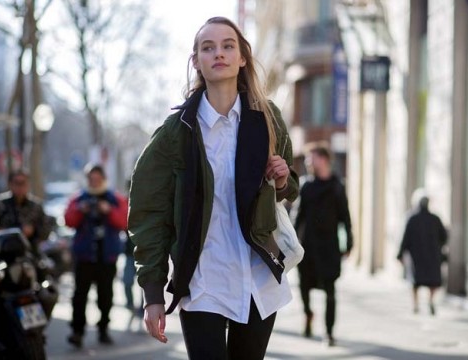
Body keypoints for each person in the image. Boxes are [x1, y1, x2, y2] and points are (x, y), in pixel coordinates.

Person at [128, 16, 299, 360]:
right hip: (203, 280)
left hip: (257, 278)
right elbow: (149, 216)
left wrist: (282, 179)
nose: (218, 53)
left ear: (242, 58)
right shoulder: (174, 133)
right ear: (197, 61)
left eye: (227, 46)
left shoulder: (268, 118)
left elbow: (289, 187)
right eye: (208, 48)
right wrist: (153, 294)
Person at [293, 143, 354, 347]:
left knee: (330, 291)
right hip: (308, 247)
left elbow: (345, 217)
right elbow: (298, 217)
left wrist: (350, 242)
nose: (309, 162)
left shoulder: (337, 186)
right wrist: (291, 242)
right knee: (304, 287)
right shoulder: (306, 186)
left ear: (324, 159)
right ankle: (308, 313)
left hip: (329, 248)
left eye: (312, 158)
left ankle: (328, 332)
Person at [64, 164, 128, 347]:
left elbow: (124, 221)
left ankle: (103, 329)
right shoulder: (79, 198)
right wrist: (80, 210)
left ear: (103, 178)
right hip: (84, 257)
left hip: (106, 257)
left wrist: (109, 210)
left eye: (98, 178)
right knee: (79, 296)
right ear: (88, 179)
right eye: (91, 178)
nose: (95, 181)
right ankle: (77, 331)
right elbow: (68, 220)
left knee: (105, 295)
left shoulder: (114, 198)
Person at [397, 188, 447, 315]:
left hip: (416, 256)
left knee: (415, 281)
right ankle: (430, 300)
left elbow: (405, 238)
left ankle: (416, 304)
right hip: (432, 256)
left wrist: (400, 254)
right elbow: (444, 236)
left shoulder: (412, 219)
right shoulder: (435, 219)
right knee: (432, 281)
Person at [0, 168, 51, 258]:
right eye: (16, 183)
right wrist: (3, 232)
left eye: (23, 183)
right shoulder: (0, 205)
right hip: (4, 255)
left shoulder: (36, 206)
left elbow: (46, 230)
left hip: (31, 254)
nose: (20, 187)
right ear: (10, 184)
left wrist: (33, 230)